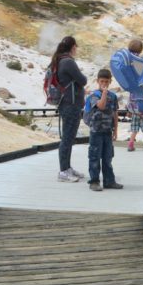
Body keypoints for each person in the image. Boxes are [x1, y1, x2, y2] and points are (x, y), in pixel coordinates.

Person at [52, 36, 87, 182]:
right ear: (73, 47)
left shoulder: (60, 60)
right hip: (71, 104)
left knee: (68, 137)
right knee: (67, 138)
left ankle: (67, 167)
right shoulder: (68, 62)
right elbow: (83, 80)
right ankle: (63, 171)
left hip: (66, 103)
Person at [85, 69, 123, 191]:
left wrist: (115, 130)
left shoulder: (113, 96)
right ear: (97, 81)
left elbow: (115, 113)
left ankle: (109, 181)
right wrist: (104, 93)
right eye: (102, 81)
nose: (104, 84)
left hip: (107, 131)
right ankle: (94, 181)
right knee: (95, 157)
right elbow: (101, 106)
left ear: (110, 81)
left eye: (107, 81)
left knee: (107, 157)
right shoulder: (93, 96)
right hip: (96, 131)